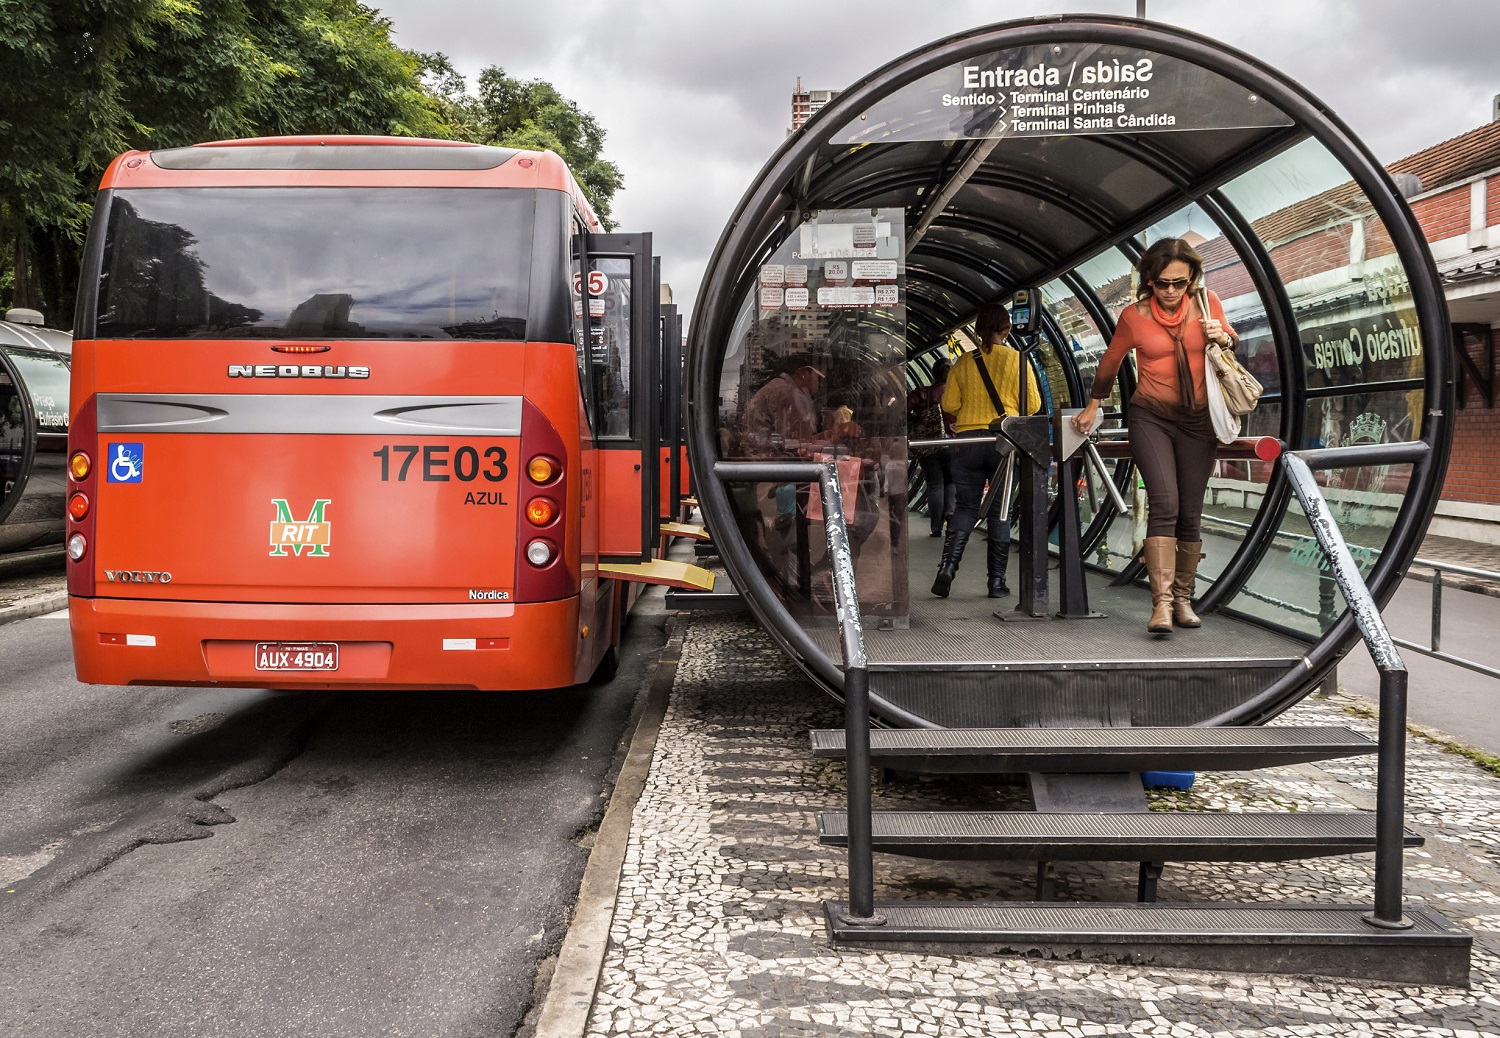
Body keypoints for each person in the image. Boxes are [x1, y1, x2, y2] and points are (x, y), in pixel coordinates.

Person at [1072, 238, 1237, 634]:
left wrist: (1222, 335)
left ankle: (1183, 600)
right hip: (1151, 417)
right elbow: (1110, 363)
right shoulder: (1133, 316)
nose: (1170, 291)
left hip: (1199, 421)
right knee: (1165, 502)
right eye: (1162, 283)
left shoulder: (1208, 302)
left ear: (1191, 279)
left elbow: (1232, 342)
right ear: (1150, 279)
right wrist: (1094, 405)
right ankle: (1161, 605)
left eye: (1179, 283)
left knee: (1190, 512)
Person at [932, 303, 1041, 599]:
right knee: (999, 512)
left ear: (979, 331)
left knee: (966, 507)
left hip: (968, 443)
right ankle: (996, 582)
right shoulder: (1018, 360)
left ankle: (947, 568)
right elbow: (1032, 405)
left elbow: (949, 404)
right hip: (1003, 443)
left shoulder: (964, 363)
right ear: (1006, 329)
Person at [907, 356, 954, 538]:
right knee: (951, 481)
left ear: (933, 373)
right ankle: (950, 515)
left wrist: (916, 422)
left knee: (935, 484)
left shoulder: (923, 393)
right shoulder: (955, 393)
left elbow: (902, 408)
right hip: (952, 441)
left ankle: (936, 528)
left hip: (928, 444)